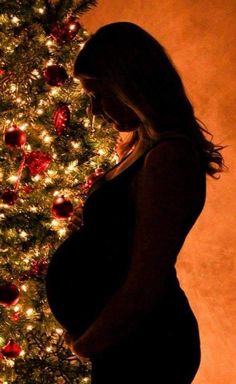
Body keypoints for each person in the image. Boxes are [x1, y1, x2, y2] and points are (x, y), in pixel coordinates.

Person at [46, 22, 225, 383]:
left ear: (130, 85)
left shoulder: (169, 156)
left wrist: (87, 343)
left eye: (100, 94)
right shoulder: (141, 144)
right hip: (124, 339)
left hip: (146, 344)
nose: (95, 110)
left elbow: (146, 279)